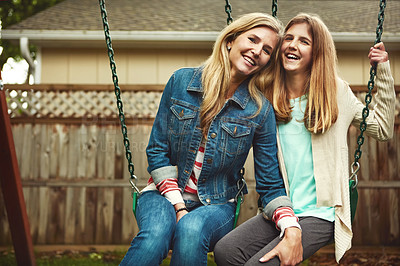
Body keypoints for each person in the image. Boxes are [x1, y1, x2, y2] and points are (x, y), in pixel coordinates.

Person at [120, 12, 303, 266]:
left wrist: (291, 226)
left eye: (266, 50)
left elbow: (270, 183)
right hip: (162, 195)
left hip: (217, 205)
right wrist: (179, 206)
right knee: (154, 236)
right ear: (230, 40)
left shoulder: (259, 111)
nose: (256, 51)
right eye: (252, 39)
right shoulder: (181, 81)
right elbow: (157, 151)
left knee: (192, 231)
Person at [214, 13, 395, 265]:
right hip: (282, 209)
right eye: (288, 38)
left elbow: (383, 129)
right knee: (226, 250)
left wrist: (383, 71)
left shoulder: (336, 92)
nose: (292, 45)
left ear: (317, 52)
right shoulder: (267, 96)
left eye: (304, 41)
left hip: (322, 214)